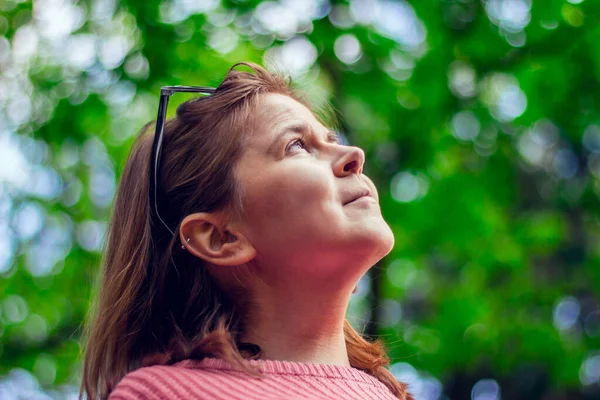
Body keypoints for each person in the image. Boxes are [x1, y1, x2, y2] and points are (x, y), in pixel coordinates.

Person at [79, 62, 414, 400]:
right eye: (297, 145)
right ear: (221, 237)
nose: (354, 155)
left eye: (332, 139)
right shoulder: (163, 394)